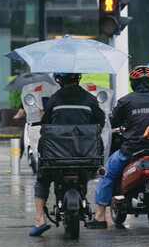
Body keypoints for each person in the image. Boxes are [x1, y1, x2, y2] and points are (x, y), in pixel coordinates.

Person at [86, 66, 149, 229]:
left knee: (107, 174)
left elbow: (114, 122)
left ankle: (100, 216)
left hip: (131, 151)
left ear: (133, 83)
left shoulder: (126, 101)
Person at [29, 73, 106, 236]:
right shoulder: (90, 99)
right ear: (78, 78)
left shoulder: (55, 99)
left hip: (56, 157)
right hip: (85, 155)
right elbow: (101, 121)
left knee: (42, 179)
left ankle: (39, 219)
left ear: (59, 80)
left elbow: (45, 123)